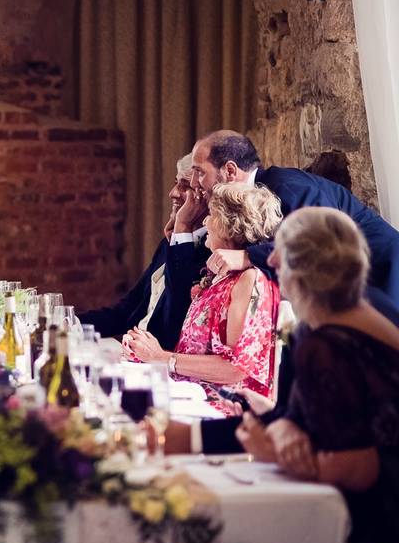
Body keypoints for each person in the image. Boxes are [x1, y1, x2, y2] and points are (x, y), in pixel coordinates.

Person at [235, 208, 399, 543]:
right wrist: (284, 427)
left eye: (281, 249)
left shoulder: (325, 345)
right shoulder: (370, 307)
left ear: (305, 267)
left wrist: (271, 454)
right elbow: (293, 413)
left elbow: (359, 466)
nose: (272, 258)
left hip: (382, 529)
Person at [189, 130, 399, 310]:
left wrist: (247, 257)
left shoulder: (288, 186)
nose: (193, 182)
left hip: (382, 277)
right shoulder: (252, 200)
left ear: (230, 170)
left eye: (199, 172)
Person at [125, 183, 282, 410]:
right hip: (189, 395)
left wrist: (162, 358)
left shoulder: (250, 280)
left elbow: (237, 369)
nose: (206, 222)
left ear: (232, 226)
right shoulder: (220, 275)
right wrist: (145, 351)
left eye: (213, 215)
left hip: (224, 409)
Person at [78, 154, 208, 350]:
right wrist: (66, 325)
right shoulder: (169, 244)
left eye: (185, 186)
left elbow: (176, 318)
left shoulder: (214, 251)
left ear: (206, 196)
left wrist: (182, 227)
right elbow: (125, 311)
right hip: (130, 351)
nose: (173, 193)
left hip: (162, 361)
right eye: (175, 183)